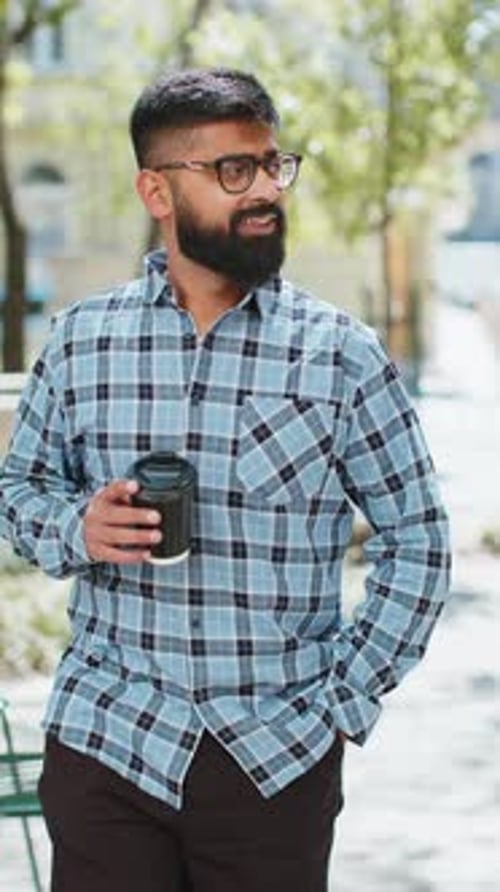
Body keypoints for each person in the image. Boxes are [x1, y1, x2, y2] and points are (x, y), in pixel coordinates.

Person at [0, 67, 451, 892]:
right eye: (231, 171)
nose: (265, 191)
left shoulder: (339, 354)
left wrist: (339, 703)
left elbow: (418, 541)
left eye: (272, 165)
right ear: (156, 191)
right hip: (110, 742)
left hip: (273, 758)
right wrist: (76, 529)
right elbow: (16, 493)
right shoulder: (80, 340)